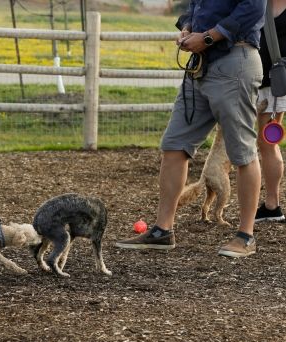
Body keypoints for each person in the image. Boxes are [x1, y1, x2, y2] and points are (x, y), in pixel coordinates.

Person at [116, 1, 266, 258]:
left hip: (234, 63)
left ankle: (246, 236)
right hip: (200, 67)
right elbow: (197, 6)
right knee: (175, 145)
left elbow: (253, 9)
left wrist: (207, 37)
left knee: (242, 152)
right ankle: (163, 230)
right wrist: (188, 27)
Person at [255, 0, 286, 223]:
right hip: (260, 79)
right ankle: (271, 204)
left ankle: (272, 204)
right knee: (266, 143)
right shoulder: (260, 4)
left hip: (275, 82)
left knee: (267, 142)